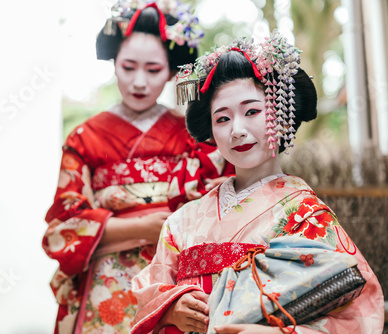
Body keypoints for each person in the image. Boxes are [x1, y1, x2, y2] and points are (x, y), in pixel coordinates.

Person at [131, 31, 385, 334]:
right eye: (222, 118)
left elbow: (359, 308)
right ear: (210, 131)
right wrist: (170, 308)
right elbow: (147, 293)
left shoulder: (305, 213)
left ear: (281, 119)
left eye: (252, 111)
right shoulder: (182, 222)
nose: (237, 130)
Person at [42, 2, 235, 333]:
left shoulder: (196, 135)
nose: (139, 82)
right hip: (107, 281)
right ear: (113, 63)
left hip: (176, 278)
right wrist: (146, 227)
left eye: (153, 69)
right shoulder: (84, 138)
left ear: (173, 71)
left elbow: (223, 208)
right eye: (128, 67)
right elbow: (64, 226)